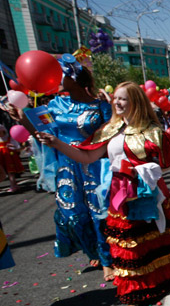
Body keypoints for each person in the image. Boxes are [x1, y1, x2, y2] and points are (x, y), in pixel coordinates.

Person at [36, 81, 170, 306]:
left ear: (136, 102)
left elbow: (165, 164)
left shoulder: (152, 129)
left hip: (148, 191)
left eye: (123, 99)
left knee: (158, 235)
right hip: (120, 193)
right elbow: (86, 157)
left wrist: (140, 170)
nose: (117, 102)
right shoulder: (108, 129)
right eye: (116, 98)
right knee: (129, 243)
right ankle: (135, 291)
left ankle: (169, 275)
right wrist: (57, 143)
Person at [7, 54, 113, 281]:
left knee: (99, 213)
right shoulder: (55, 105)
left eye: (62, 75)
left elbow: (111, 136)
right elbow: (41, 132)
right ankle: (92, 249)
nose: (56, 79)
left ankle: (106, 259)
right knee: (72, 214)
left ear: (74, 78)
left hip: (94, 164)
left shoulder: (101, 106)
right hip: (67, 167)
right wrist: (21, 119)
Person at [0, 124, 23, 192]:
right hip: (1, 157)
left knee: (11, 172)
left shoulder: (9, 138)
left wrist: (13, 147)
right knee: (2, 172)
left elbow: (18, 148)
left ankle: (13, 185)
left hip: (9, 157)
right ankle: (14, 185)